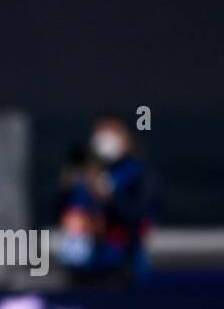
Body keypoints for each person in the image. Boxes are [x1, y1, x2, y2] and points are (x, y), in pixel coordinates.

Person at [55, 115, 159, 288]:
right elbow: (60, 210)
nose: (105, 138)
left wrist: (109, 197)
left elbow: (139, 216)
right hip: (80, 267)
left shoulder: (139, 174)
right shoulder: (81, 173)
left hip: (123, 269)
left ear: (126, 138)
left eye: (112, 131)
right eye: (101, 131)